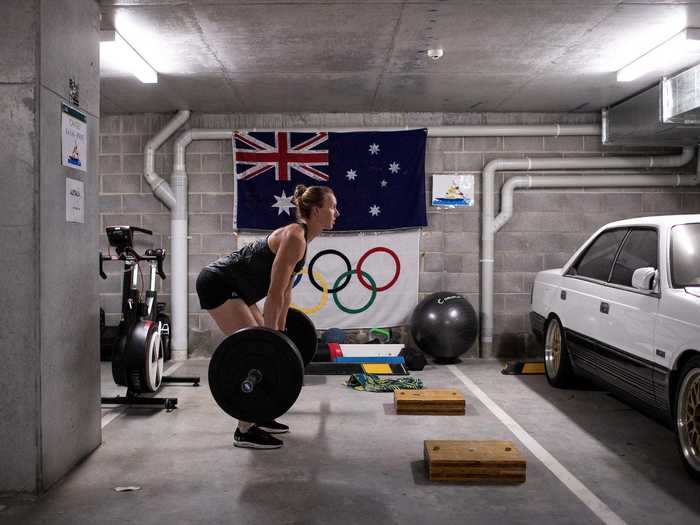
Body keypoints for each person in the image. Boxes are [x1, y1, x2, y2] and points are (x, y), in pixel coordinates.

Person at [196, 184, 339, 449]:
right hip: (217, 283)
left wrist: (280, 334)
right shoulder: (296, 236)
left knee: (264, 342)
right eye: (332, 207)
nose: (336, 213)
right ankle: (244, 430)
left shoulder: (303, 239)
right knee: (255, 352)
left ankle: (258, 414)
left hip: (238, 290)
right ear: (317, 210)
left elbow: (285, 294)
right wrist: (272, 345)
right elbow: (273, 294)